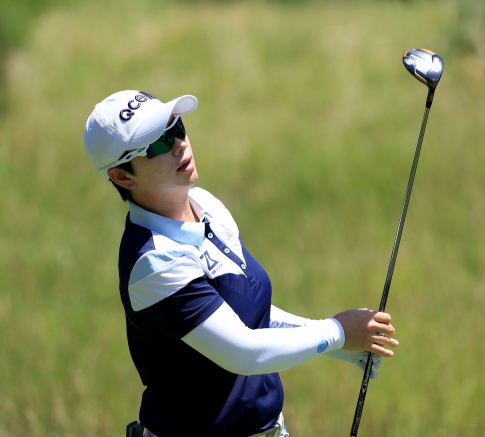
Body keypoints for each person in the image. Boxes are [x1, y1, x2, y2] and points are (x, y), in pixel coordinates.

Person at [83, 90, 399, 437]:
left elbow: (247, 314)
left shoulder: (204, 205)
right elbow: (242, 353)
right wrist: (336, 333)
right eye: (156, 144)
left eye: (178, 128)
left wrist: (332, 342)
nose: (178, 145)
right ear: (122, 176)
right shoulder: (154, 262)